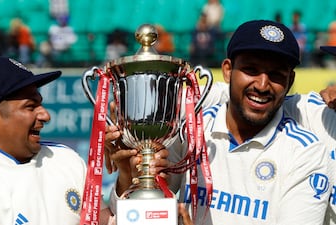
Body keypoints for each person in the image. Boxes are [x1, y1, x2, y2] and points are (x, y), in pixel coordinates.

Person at [106, 20, 333, 225]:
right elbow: (134, 216)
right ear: (227, 71)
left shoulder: (307, 153)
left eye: (275, 75)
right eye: (250, 70)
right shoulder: (190, 130)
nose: (263, 85)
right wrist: (128, 176)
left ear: (289, 81)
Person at [0, 56, 112, 224]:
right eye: (30, 107)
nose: (45, 115)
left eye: (40, 104)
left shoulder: (67, 159)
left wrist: (127, 178)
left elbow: (107, 222)